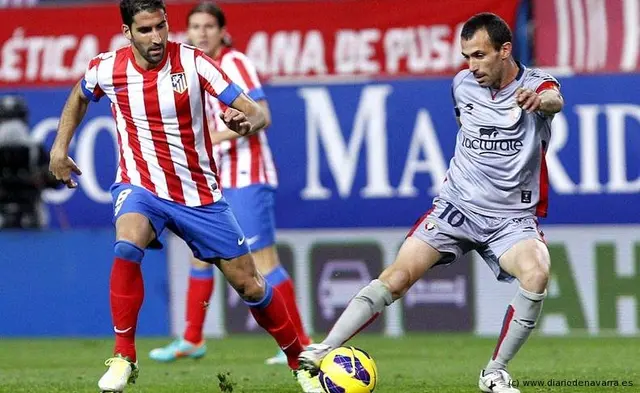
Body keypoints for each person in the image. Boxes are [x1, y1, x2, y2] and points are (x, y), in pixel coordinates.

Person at [48, 1, 321, 392]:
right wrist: (60, 148)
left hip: (199, 195)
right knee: (127, 242)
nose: (156, 37)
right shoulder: (106, 67)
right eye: (145, 30)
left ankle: (300, 364)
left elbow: (256, 112)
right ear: (128, 33)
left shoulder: (194, 62)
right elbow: (79, 94)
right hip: (139, 185)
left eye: (161, 26)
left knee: (251, 285)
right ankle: (124, 356)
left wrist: (244, 121)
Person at [298, 12, 564, 393]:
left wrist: (540, 101)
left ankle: (494, 372)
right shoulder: (462, 85)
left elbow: (555, 99)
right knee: (397, 277)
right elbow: (466, 126)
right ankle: (323, 349)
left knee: (537, 273)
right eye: (466, 57)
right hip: (458, 208)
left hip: (511, 218)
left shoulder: (537, 85)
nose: (471, 67)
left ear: (505, 50)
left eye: (479, 55)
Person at [148, 1, 311, 366]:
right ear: (185, 31)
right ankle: (191, 339)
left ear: (222, 31)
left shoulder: (236, 63)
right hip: (213, 181)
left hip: (248, 176)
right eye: (195, 27)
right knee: (201, 257)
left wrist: (216, 137)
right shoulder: (188, 65)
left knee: (264, 262)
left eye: (209, 26)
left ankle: (304, 341)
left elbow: (263, 115)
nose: (201, 33)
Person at [0, 95, 58, 229]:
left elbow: (55, 180)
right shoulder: (35, 148)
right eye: (6, 119)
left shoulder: (35, 150)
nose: (12, 126)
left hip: (31, 212)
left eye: (16, 119)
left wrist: (42, 177)